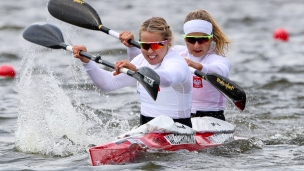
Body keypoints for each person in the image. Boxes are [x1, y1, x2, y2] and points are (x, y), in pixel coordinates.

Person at [73, 17, 193, 128]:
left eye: (156, 46)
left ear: (167, 42)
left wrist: (137, 70)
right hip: (146, 128)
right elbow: (108, 84)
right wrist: (87, 62)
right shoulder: (140, 60)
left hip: (179, 129)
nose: (150, 51)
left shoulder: (177, 63)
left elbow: (167, 80)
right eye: (145, 46)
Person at [119, 10, 231, 121]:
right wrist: (132, 47)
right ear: (185, 38)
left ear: (211, 38)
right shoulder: (177, 53)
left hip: (212, 119)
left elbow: (222, 71)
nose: (196, 45)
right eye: (191, 39)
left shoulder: (216, 59)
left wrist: (197, 66)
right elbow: (146, 62)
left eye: (203, 39)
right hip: (182, 117)